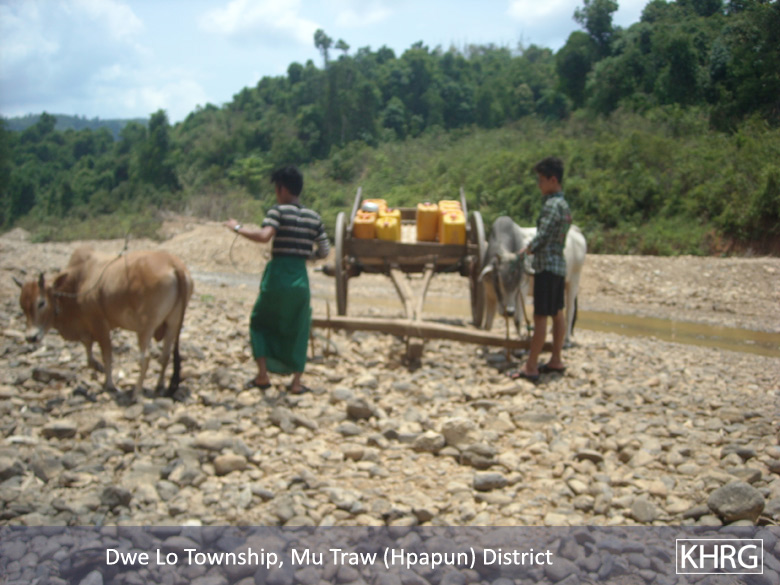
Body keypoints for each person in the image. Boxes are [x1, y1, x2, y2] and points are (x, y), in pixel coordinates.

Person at [224, 166, 330, 394]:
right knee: (299, 325)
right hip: (300, 278)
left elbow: (264, 236)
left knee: (260, 321)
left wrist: (237, 228)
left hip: (278, 276)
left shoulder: (278, 211)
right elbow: (325, 251)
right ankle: (296, 383)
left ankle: (263, 376)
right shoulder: (314, 217)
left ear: (282, 189)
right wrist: (305, 256)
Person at [510, 156, 572, 382]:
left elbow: (543, 234)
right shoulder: (564, 205)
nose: (539, 185)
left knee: (540, 317)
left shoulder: (551, 205)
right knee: (557, 312)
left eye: (541, 180)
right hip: (559, 266)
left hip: (546, 267)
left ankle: (531, 366)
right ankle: (556, 359)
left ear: (552, 180)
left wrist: (527, 249)